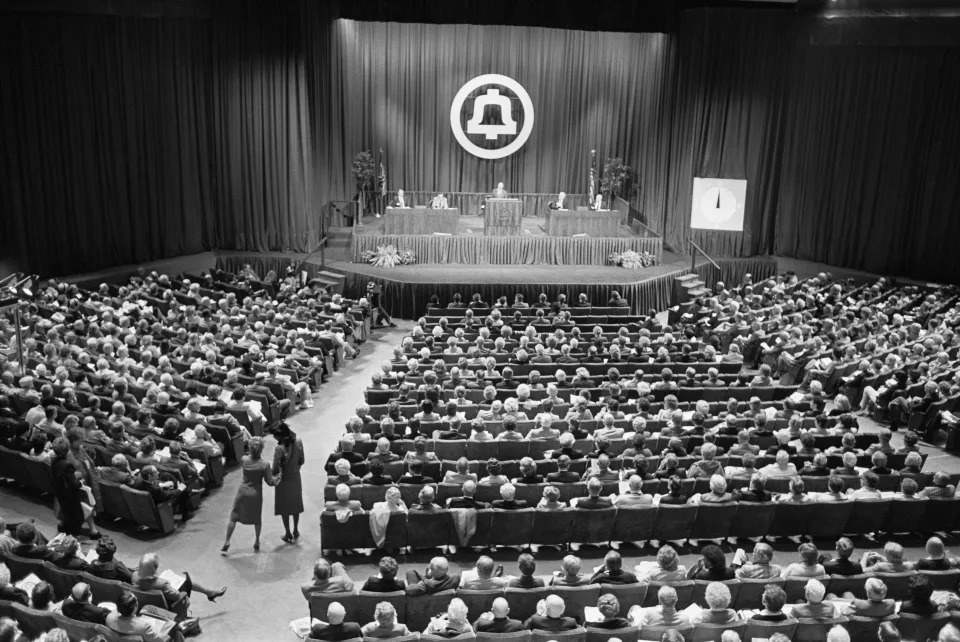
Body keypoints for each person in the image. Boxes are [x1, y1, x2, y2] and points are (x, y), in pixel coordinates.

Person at [222, 436, 280, 554]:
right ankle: (257, 541)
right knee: (256, 519)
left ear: (250, 448)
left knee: (233, 517)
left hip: (242, 491)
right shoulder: (264, 465)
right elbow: (270, 482)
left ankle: (227, 540)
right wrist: (279, 477)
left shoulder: (244, 459)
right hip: (255, 494)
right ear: (261, 449)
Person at [132, 552, 225, 619]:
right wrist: (169, 585)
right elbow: (177, 596)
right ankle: (209, 593)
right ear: (153, 569)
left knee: (186, 582)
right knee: (186, 584)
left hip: (146, 602)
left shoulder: (134, 576)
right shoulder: (162, 584)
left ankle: (209, 592)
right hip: (165, 606)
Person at [50, 436, 100, 538]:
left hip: (61, 494)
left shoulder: (54, 461)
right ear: (67, 449)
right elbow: (73, 485)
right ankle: (90, 532)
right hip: (71, 500)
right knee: (74, 527)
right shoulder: (67, 465)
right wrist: (79, 481)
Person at [273, 423, 305, 543]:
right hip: (296, 477)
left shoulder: (279, 448)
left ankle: (287, 532)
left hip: (283, 480)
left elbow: (275, 468)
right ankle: (296, 529)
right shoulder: (299, 441)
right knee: (296, 504)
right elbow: (302, 460)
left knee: (284, 508)